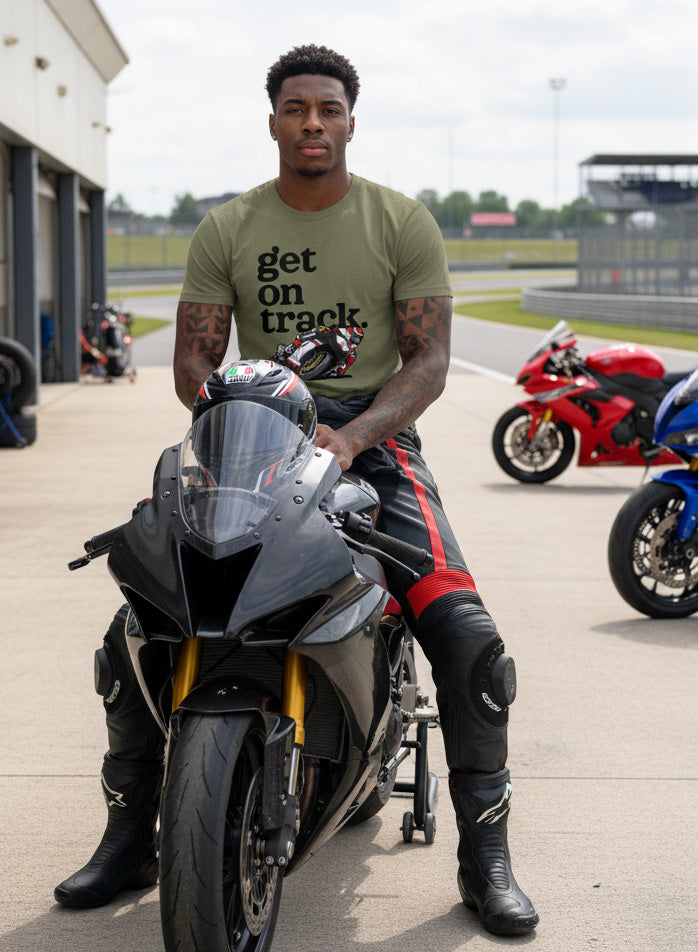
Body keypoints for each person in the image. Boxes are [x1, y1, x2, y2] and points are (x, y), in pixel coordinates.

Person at [55, 45, 538, 937]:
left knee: (468, 639)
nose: (312, 123)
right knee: (141, 618)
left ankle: (486, 857)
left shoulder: (401, 221)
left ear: (352, 120)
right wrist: (233, 411)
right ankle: (132, 836)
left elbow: (428, 361)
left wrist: (352, 436)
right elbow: (196, 355)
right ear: (272, 120)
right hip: (250, 430)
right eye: (295, 109)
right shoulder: (228, 227)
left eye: (328, 109)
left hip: (376, 440)